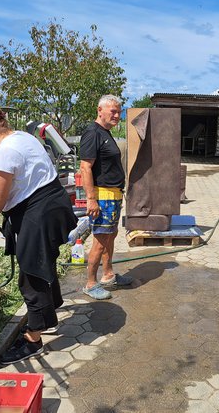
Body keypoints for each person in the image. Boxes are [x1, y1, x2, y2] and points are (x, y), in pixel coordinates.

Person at [0, 101, 77, 364]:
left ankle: (34, 337)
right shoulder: (22, 138)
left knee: (32, 273)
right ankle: (48, 313)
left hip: (38, 212)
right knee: (44, 262)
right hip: (52, 204)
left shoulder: (3, 153)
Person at [79, 95, 133, 300]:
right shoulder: (92, 133)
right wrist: (91, 199)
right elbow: (85, 167)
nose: (118, 115)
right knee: (100, 241)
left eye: (120, 112)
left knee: (110, 236)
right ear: (100, 110)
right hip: (102, 197)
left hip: (113, 195)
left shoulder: (105, 133)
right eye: (113, 111)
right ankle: (91, 283)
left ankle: (108, 275)